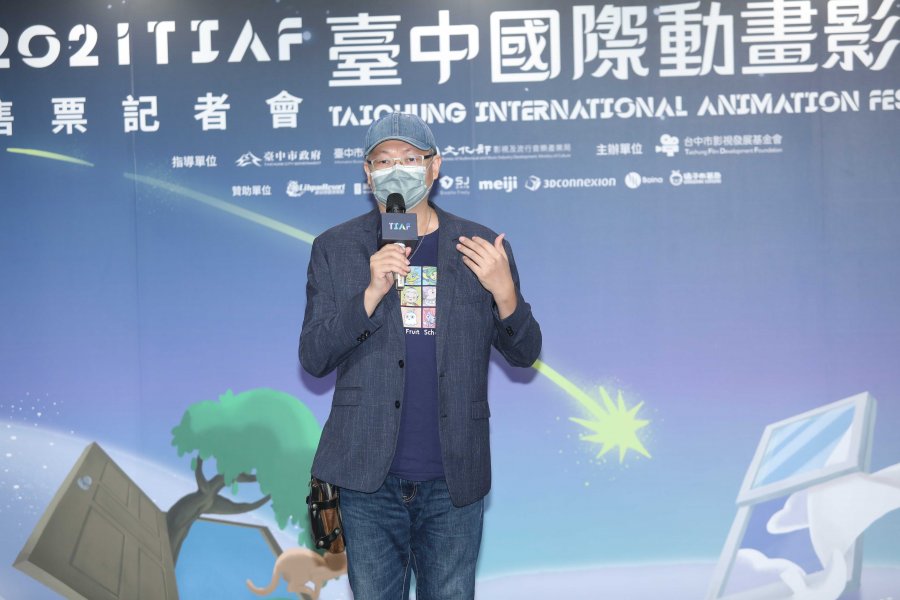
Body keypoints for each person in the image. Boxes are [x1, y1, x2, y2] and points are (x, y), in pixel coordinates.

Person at [298, 112, 542, 599]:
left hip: (453, 477)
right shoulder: (335, 248)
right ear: (367, 172)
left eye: (410, 158)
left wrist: (504, 293)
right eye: (383, 160)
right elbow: (314, 356)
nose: (396, 169)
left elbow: (525, 353)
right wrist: (370, 293)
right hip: (367, 476)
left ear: (434, 167)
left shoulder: (479, 247)